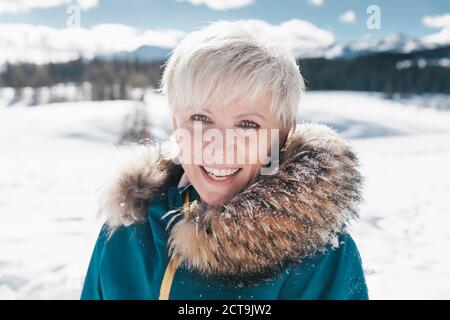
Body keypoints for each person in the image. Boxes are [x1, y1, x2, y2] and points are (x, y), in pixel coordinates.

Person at [80, 20, 369, 300]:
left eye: (247, 125)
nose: (220, 149)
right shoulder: (129, 228)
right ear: (176, 128)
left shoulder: (321, 257)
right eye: (200, 119)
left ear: (279, 137)